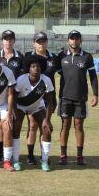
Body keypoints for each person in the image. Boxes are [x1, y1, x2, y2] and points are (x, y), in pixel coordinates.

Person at [57, 30, 99, 166]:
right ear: (68, 41)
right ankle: (63, 155)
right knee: (65, 125)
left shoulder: (87, 57)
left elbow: (93, 76)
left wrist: (95, 94)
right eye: (72, 39)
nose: (74, 41)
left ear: (81, 40)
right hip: (64, 97)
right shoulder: (61, 56)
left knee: (79, 125)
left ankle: (79, 156)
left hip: (80, 97)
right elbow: (52, 73)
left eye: (77, 39)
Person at [24, 31, 60, 165]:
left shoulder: (54, 58)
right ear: (34, 43)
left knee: (45, 126)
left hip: (48, 98)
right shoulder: (28, 57)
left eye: (43, 41)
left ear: (47, 42)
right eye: (38, 41)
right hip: (32, 98)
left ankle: (43, 155)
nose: (41, 44)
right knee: (32, 126)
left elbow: (63, 76)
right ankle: (30, 155)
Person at [15, 55, 55, 171]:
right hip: (21, 107)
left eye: (38, 66)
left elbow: (49, 102)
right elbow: (14, 98)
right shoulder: (21, 79)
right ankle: (15, 160)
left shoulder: (46, 80)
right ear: (28, 68)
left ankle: (44, 160)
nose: (36, 68)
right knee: (16, 127)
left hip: (37, 107)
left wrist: (47, 120)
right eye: (33, 66)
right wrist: (13, 114)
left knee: (46, 129)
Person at [0, 30, 24, 163]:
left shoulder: (20, 57)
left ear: (14, 41)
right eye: (6, 39)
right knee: (0, 125)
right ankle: (1, 153)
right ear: (2, 41)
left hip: (14, 96)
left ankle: (10, 153)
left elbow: (23, 77)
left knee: (11, 124)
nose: (8, 41)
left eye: (11, 39)